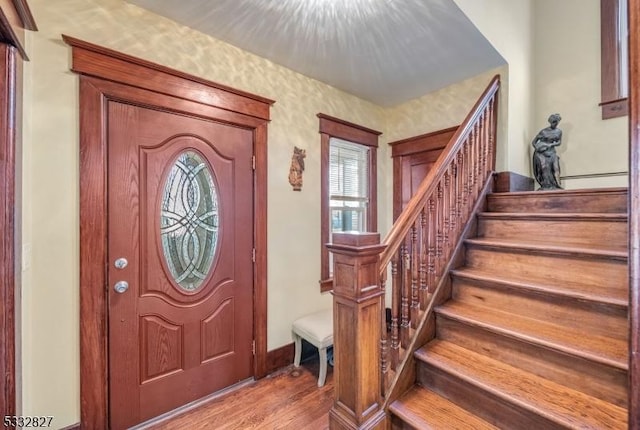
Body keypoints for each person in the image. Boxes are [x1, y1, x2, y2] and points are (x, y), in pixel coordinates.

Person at [532, 113, 563, 190]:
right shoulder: (544, 132)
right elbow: (534, 142)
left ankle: (557, 184)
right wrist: (539, 148)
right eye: (554, 122)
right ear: (550, 122)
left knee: (556, 167)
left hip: (552, 151)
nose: (555, 124)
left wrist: (551, 145)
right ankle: (546, 185)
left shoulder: (559, 131)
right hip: (542, 153)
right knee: (545, 168)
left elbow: (559, 142)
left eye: (557, 122)